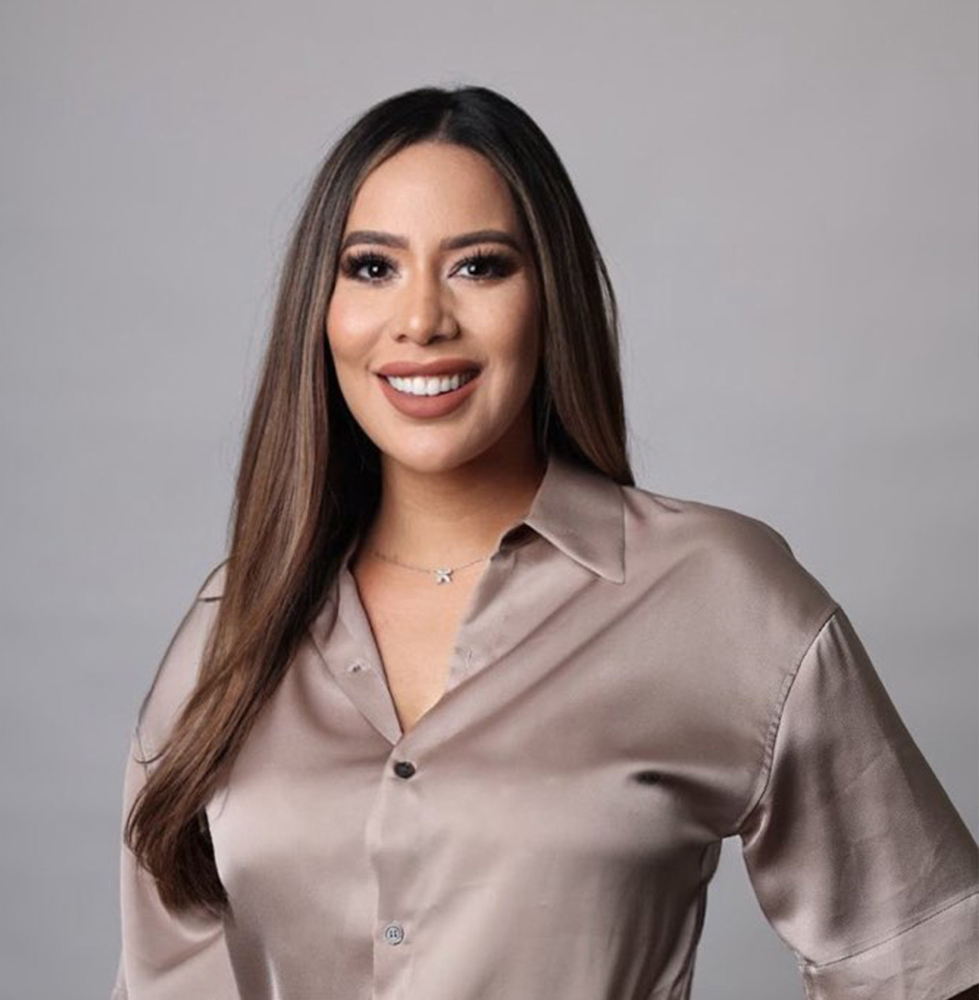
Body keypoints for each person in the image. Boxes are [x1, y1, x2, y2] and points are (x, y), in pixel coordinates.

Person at [110, 85, 978, 1000]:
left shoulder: (715, 596)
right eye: (371, 268)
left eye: (478, 266)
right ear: (318, 310)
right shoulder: (232, 630)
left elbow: (927, 963)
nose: (421, 319)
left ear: (549, 296)